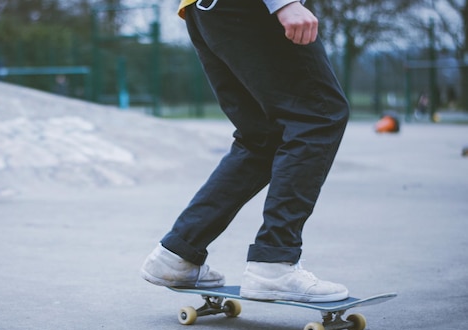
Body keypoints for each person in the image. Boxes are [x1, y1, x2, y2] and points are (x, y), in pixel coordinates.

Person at [140, 0, 350, 303]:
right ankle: (275, 262)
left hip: (205, 11)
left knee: (260, 137)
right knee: (319, 115)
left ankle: (177, 253)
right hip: (251, 7)